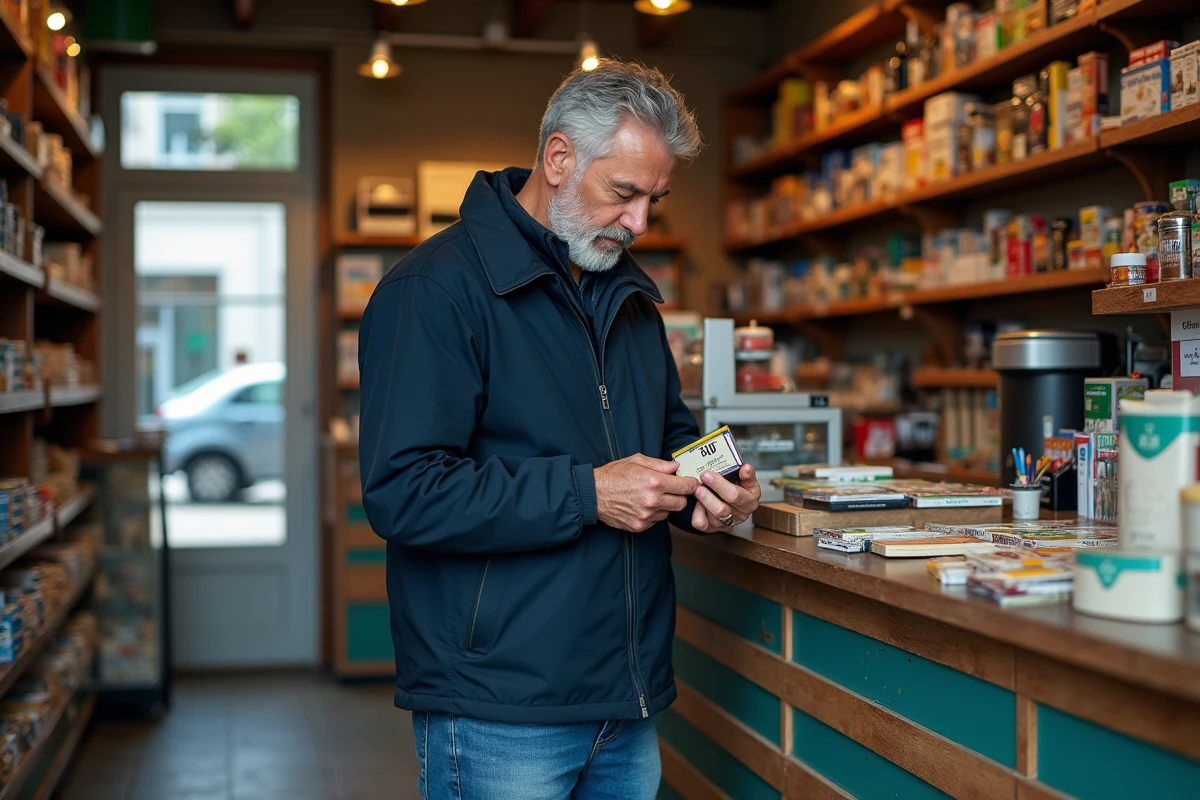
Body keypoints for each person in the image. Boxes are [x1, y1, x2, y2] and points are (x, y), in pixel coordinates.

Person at [358, 60, 762, 800]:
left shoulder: (629, 296)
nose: (640, 222)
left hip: (625, 694)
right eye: (625, 194)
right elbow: (403, 492)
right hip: (499, 705)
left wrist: (717, 483)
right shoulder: (433, 292)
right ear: (558, 157)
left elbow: (670, 437)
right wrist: (587, 493)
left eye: (655, 200)